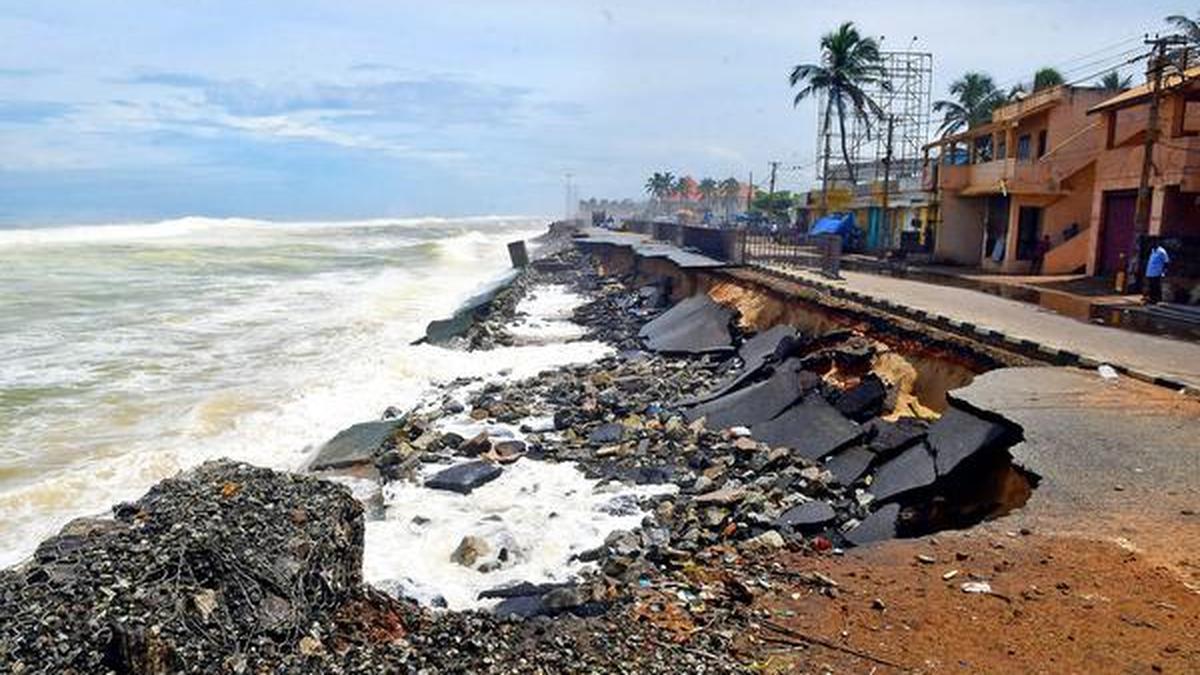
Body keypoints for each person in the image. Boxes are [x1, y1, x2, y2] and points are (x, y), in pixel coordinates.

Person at [1144, 240, 1170, 304]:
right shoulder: (1153, 251)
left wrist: (1164, 272)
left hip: (1157, 272)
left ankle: (1157, 299)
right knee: (1151, 286)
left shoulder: (1161, 251)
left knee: (1156, 286)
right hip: (1150, 272)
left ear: (1157, 244)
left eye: (1153, 243)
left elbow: (1166, 262)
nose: (1152, 245)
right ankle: (1152, 299)